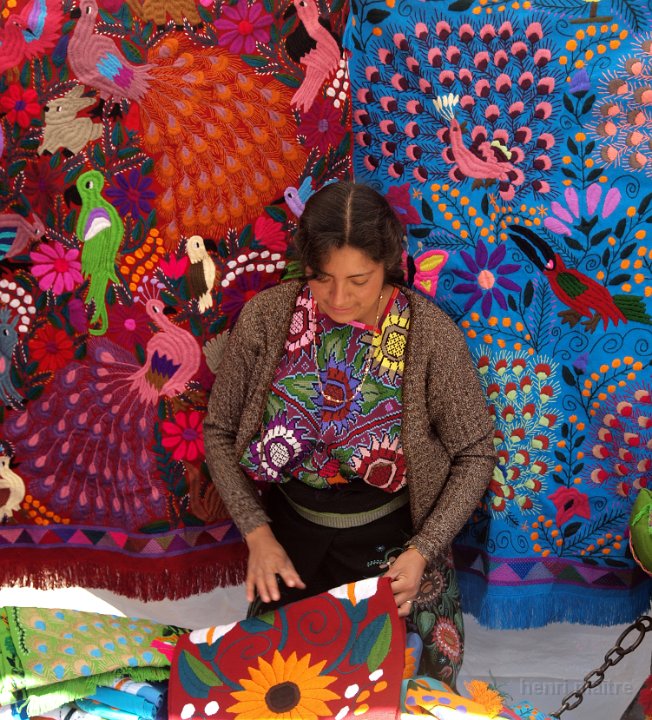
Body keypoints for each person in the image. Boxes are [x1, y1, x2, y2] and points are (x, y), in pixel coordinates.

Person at [204, 181, 496, 685]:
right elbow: (219, 431)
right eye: (322, 278)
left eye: (358, 280)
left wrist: (423, 551)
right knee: (283, 692)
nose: (338, 298)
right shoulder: (268, 320)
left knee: (391, 697)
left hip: (395, 554)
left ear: (388, 265)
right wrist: (257, 533)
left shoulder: (429, 336)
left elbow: (474, 452)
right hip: (290, 547)